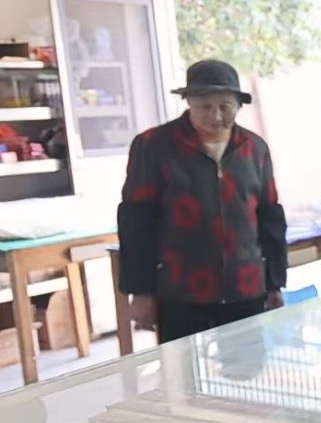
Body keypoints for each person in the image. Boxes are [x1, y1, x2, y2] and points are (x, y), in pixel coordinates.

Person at [118, 59, 287, 343]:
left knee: (246, 367)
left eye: (225, 106)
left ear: (239, 105)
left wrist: (275, 283)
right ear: (189, 103)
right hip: (180, 289)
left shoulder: (254, 148)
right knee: (183, 369)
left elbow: (270, 218)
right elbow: (136, 223)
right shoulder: (154, 145)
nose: (216, 115)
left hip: (244, 286)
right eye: (205, 106)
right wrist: (141, 292)